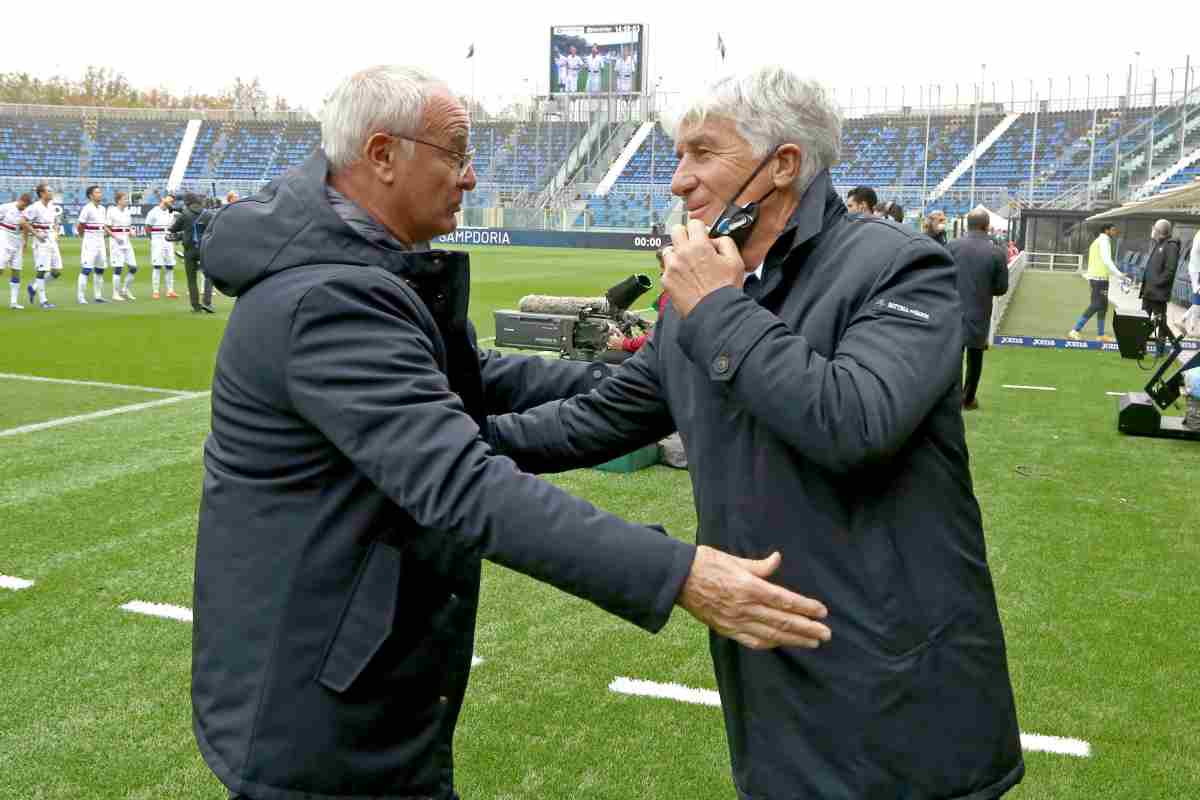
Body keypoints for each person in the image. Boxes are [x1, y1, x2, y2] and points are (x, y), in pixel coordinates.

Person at [192, 64, 831, 800]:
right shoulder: (328, 297)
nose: (471, 177)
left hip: (354, 671)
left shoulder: (366, 268)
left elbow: (475, 377)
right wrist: (679, 574)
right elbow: (462, 480)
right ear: (381, 155)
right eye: (457, 152)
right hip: (309, 703)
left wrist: (660, 382)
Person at [489, 66, 1023, 799]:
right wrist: (451, 442)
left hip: (896, 694)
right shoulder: (703, 294)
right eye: (678, 156)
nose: (678, 181)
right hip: (771, 683)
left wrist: (717, 306)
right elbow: (600, 416)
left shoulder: (898, 267)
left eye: (702, 154)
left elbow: (854, 421)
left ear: (784, 166)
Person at [949, 207, 1009, 411]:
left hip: (952, 308)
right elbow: (1001, 288)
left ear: (967, 225)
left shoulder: (951, 246)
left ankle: (951, 397)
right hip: (979, 310)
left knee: (952, 355)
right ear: (987, 226)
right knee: (975, 357)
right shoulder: (997, 252)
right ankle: (968, 399)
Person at [1068, 222, 1123, 342]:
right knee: (1096, 305)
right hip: (1098, 278)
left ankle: (1101, 335)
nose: (1115, 232)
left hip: (1099, 277)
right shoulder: (1104, 241)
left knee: (1103, 306)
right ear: (1107, 231)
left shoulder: (1099, 241)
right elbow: (1107, 260)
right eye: (1113, 230)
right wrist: (1119, 275)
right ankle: (1075, 331)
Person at [169, 193, 213, 313]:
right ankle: (207, 302)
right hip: (205, 249)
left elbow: (172, 229)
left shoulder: (185, 214)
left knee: (191, 279)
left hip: (190, 250)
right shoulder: (208, 214)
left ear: (187, 202)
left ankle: (196, 306)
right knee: (209, 277)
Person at [22, 183, 60, 309]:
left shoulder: (51, 206)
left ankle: (33, 287)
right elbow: (23, 221)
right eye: (49, 191)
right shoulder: (35, 207)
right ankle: (43, 300)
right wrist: (36, 234)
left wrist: (56, 232)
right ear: (42, 193)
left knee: (56, 271)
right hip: (41, 241)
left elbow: (54, 222)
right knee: (42, 270)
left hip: (51, 240)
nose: (51, 192)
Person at [1139, 219, 1181, 320]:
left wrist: (1157, 283)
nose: (1152, 230)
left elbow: (1170, 270)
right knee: (1143, 319)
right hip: (1149, 292)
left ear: (1158, 231)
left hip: (1158, 293)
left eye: (1154, 228)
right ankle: (1142, 336)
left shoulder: (1171, 246)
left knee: (1160, 321)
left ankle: (1165, 336)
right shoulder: (1158, 243)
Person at [76, 185, 109, 304]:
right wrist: (83, 237)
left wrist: (104, 243)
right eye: (97, 192)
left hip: (100, 240)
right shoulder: (87, 208)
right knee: (86, 269)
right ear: (91, 195)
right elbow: (80, 225)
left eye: (100, 192)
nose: (100, 194)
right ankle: (80, 297)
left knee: (100, 269)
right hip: (90, 242)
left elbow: (103, 227)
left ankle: (98, 296)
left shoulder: (103, 209)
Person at [0, 193, 32, 309]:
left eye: (27, 205)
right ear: (20, 200)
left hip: (17, 241)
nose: (25, 207)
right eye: (24, 204)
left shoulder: (26, 212)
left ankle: (14, 302)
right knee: (0, 269)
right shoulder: (5, 207)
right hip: (4, 239)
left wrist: (25, 243)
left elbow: (25, 228)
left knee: (16, 270)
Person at [144, 194, 178, 299]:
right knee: (157, 265)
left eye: (172, 201)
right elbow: (147, 227)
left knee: (170, 265)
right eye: (169, 200)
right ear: (164, 199)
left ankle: (170, 290)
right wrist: (152, 239)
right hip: (157, 239)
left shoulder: (171, 212)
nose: (171, 203)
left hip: (168, 239)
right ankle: (155, 291)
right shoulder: (153, 211)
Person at [106, 191, 137, 301]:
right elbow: (106, 227)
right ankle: (115, 293)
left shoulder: (127, 212)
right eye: (125, 199)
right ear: (119, 200)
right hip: (116, 242)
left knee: (133, 267)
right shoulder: (111, 211)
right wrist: (114, 236)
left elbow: (129, 226)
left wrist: (131, 231)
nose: (127, 201)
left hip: (126, 241)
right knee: (118, 268)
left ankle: (125, 289)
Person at [1183, 231, 1200, 337]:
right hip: (1197, 269)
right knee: (1198, 298)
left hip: (1195, 268)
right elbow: (1198, 249)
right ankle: (1191, 327)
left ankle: (1186, 320)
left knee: (1198, 298)